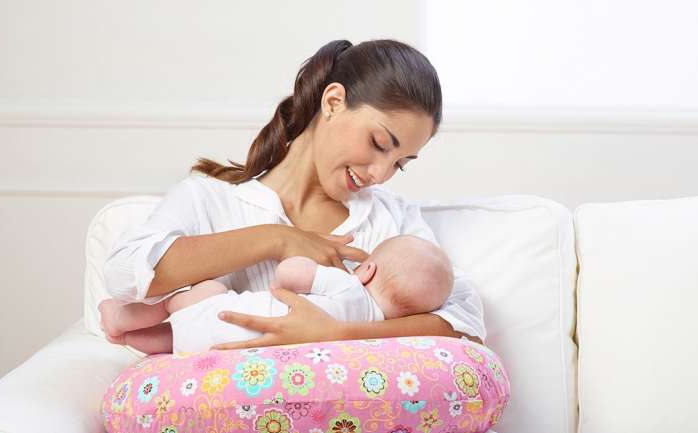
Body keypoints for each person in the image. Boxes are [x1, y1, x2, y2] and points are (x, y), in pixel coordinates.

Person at [102, 38, 486, 354]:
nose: (380, 174)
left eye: (400, 164)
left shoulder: (390, 221)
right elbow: (123, 275)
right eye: (379, 143)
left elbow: (463, 323)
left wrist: (338, 332)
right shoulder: (210, 200)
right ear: (333, 102)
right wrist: (276, 239)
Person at [100, 234, 454, 354]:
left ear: (367, 270)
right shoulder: (377, 338)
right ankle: (134, 338)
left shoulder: (348, 284)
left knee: (191, 298)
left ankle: (120, 320)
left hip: (221, 312)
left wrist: (302, 265)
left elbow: (289, 273)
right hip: (218, 351)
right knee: (172, 339)